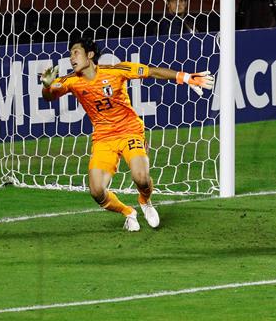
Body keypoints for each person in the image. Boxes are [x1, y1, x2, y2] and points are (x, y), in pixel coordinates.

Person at [41, 36, 214, 231]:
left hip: (130, 131)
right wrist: (46, 86)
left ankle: (145, 200)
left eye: (76, 52)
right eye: (70, 54)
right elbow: (49, 97)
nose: (72, 58)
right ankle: (128, 212)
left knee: (141, 178)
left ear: (89, 55)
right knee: (97, 191)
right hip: (103, 139)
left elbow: (152, 72)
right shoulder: (71, 81)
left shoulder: (115, 71)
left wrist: (185, 77)